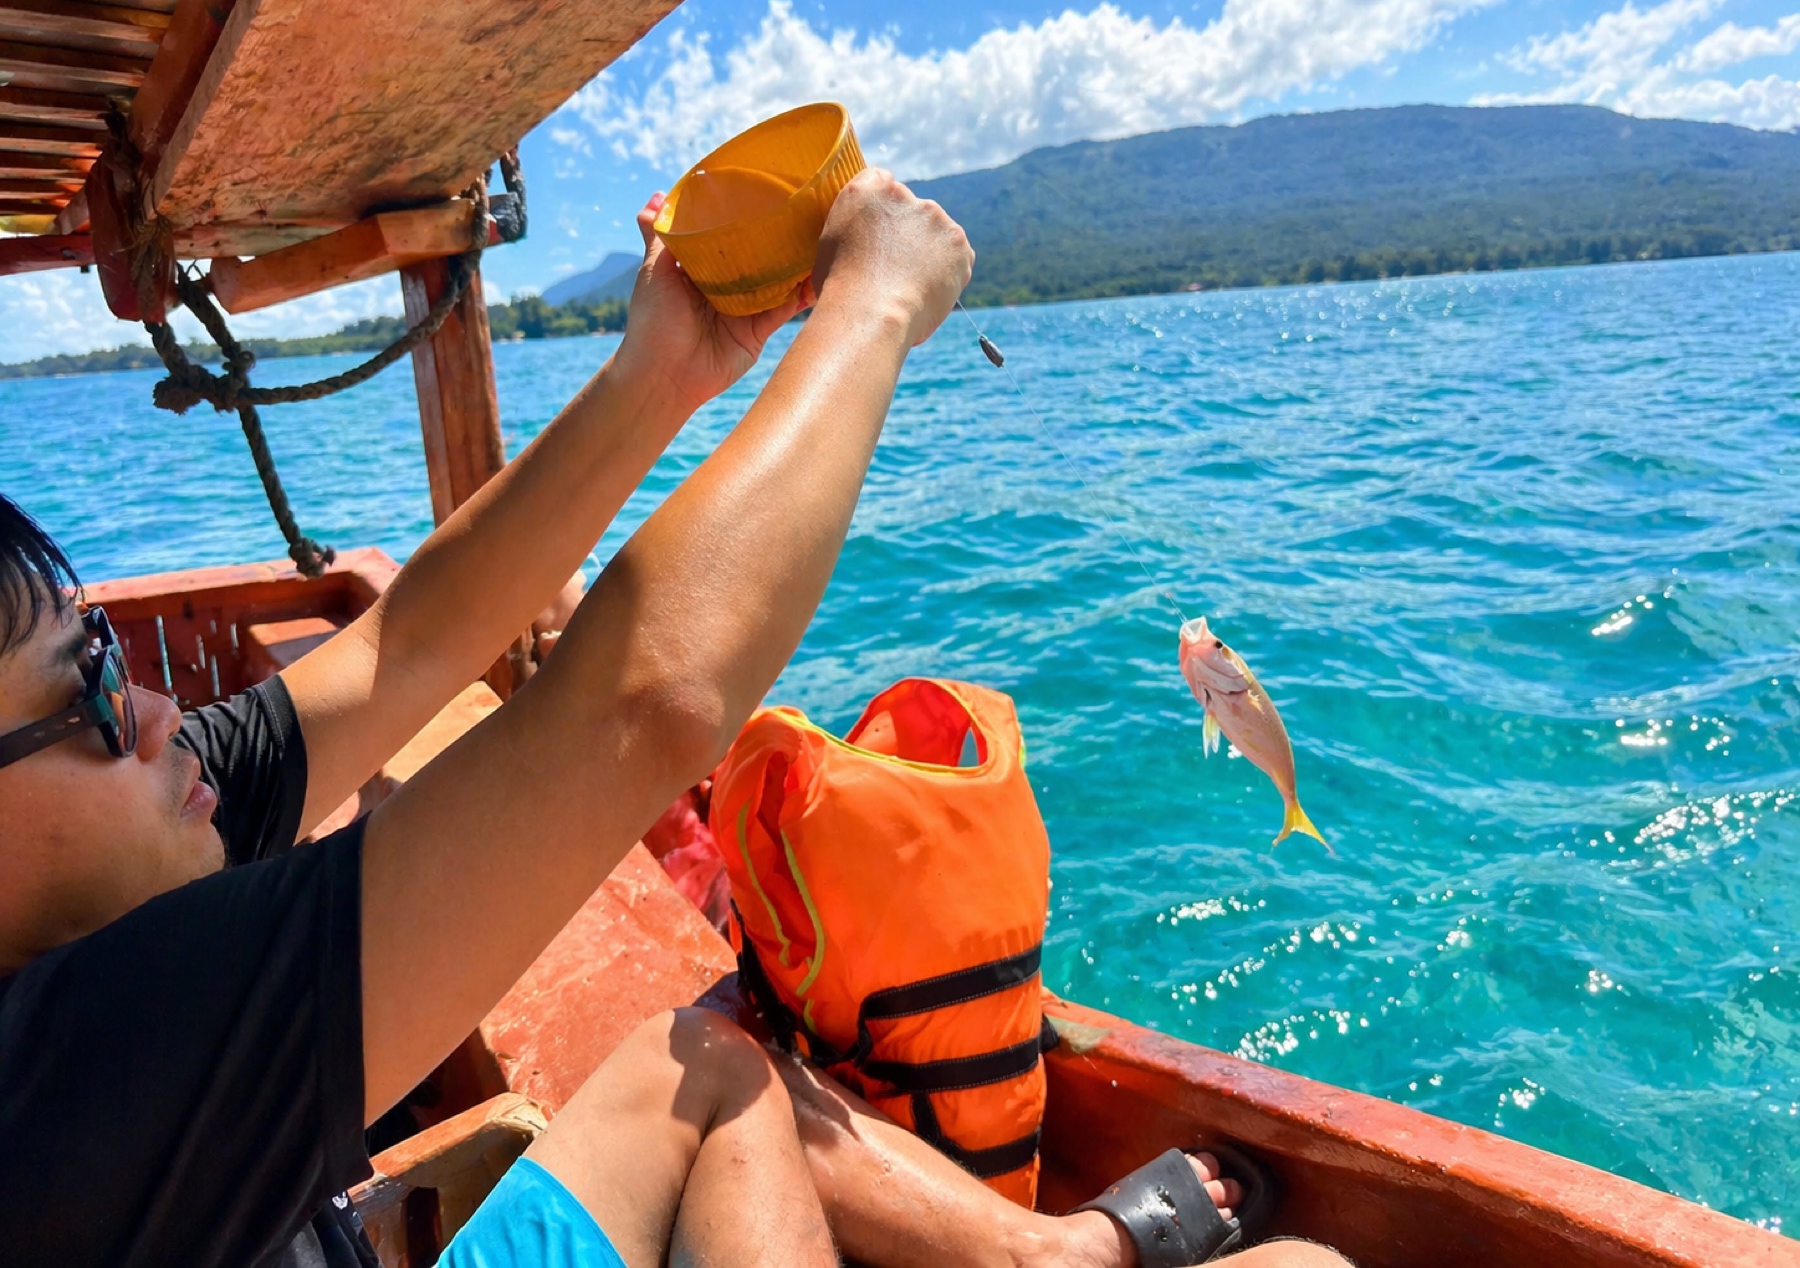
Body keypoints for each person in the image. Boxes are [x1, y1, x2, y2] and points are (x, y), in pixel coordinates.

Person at [0, 171, 1349, 1268]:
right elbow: (644, 709)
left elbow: (414, 638)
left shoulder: (117, 854)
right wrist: (873, 304)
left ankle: (1044, 1259)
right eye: (84, 697)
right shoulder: (43, 1106)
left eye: (116, 661)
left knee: (704, 1060)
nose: (159, 711)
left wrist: (665, 370)